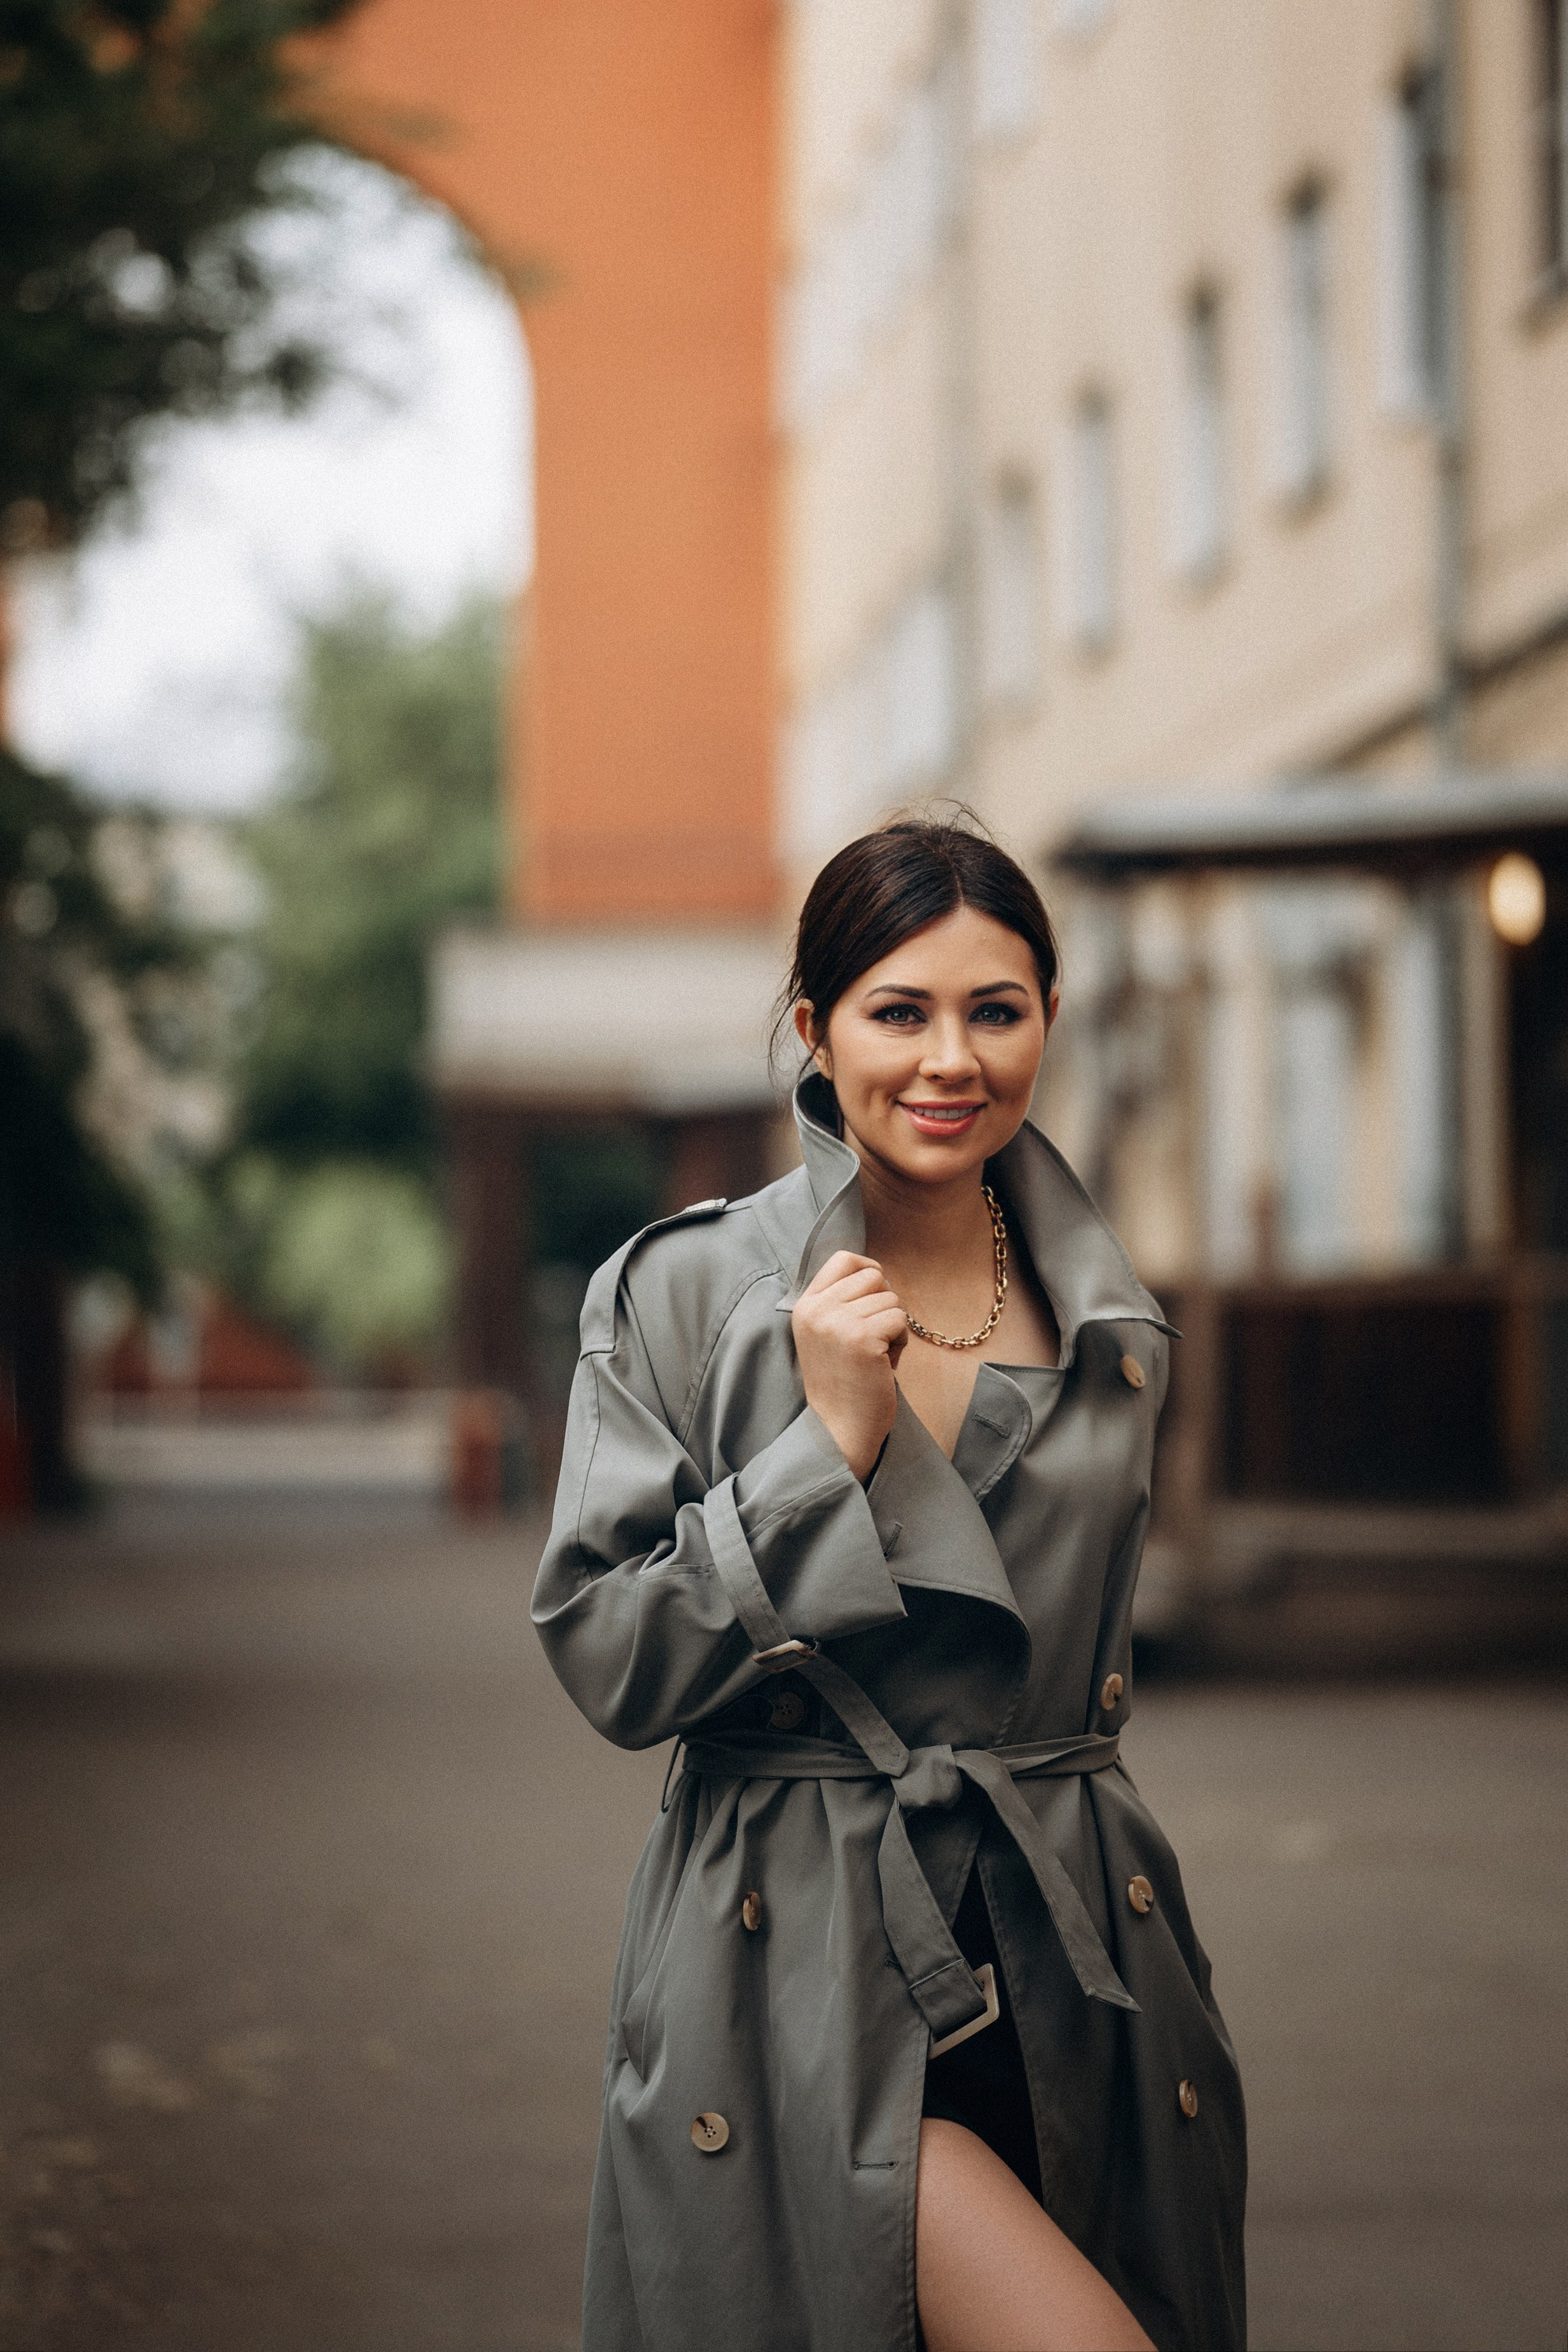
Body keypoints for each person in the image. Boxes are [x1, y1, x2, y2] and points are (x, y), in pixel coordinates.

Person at [533, 815, 1247, 2352]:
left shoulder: (1110, 1315)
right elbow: (607, 1655)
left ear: (1049, 1017)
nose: (951, 1059)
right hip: (795, 1944)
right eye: (898, 1010)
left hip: (1073, 1949)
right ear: (815, 1027)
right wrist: (823, 1452)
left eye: (996, 1009)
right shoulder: (685, 1293)